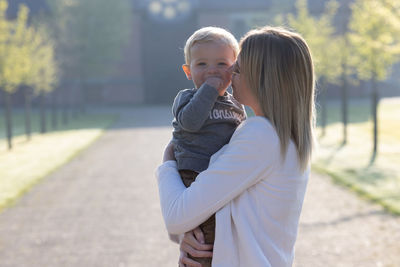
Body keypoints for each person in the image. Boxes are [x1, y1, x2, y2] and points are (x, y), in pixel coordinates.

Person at [157, 26, 315, 267]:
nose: (227, 74)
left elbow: (177, 216)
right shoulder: (278, 136)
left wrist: (168, 161)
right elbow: (211, 209)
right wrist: (190, 237)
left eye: (238, 68)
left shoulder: (261, 136)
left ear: (263, 78)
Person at [170, 27, 247, 266]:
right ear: (188, 71)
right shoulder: (187, 98)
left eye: (221, 63)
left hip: (223, 179)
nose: (212, 70)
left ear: (235, 68)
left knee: (228, 235)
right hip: (195, 176)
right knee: (205, 240)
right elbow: (191, 122)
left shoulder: (236, 104)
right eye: (201, 64)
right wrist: (210, 90)